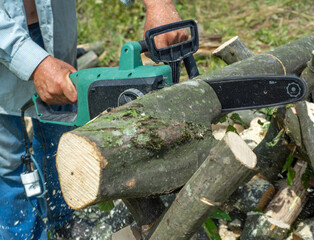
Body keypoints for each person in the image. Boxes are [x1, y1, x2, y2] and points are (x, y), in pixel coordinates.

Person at [0, 0, 187, 239]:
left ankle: (62, 220)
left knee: (59, 143)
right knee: (8, 160)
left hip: (54, 34)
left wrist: (158, 4)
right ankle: (20, 233)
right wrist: (35, 63)